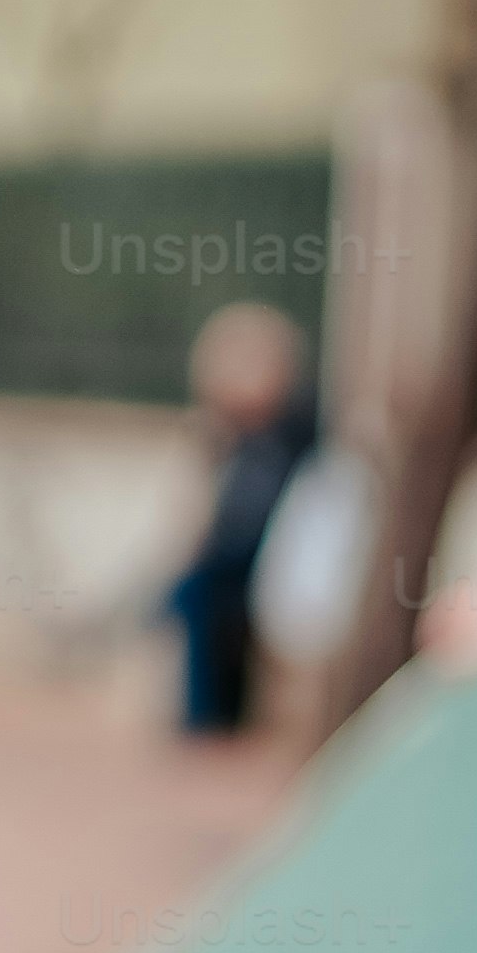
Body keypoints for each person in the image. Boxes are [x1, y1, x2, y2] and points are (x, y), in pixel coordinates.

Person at [164, 301, 316, 736]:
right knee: (191, 590)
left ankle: (206, 723)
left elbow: (254, 517)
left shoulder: (292, 431)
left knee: (195, 591)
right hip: (236, 556)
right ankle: (211, 717)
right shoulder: (235, 438)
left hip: (269, 559)